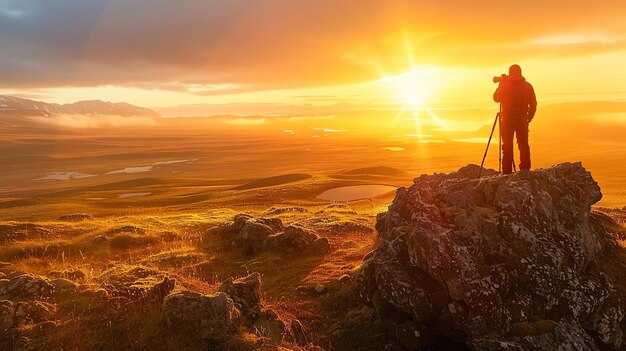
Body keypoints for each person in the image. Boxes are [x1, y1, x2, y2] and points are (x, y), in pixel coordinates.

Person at [493, 64, 537, 174]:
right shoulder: (528, 86)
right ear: (520, 73)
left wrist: (501, 85)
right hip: (522, 119)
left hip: (507, 119)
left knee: (507, 145)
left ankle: (507, 172)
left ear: (510, 73)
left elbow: (496, 98)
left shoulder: (505, 85)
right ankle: (525, 169)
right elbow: (533, 103)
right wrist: (529, 117)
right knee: (523, 144)